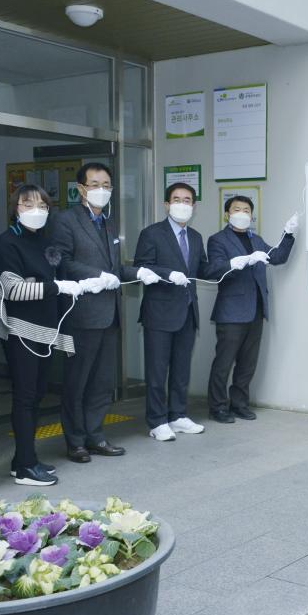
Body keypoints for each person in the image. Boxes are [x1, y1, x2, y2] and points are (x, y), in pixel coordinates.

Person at [0, 185, 93, 486]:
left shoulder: (46, 242)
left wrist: (44, 285)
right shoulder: (7, 242)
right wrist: (52, 287)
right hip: (20, 329)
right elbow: (14, 289)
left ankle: (23, 458)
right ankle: (25, 467)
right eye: (27, 204)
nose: (36, 210)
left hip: (46, 329)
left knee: (36, 396)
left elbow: (47, 280)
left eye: (42, 205)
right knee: (24, 397)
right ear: (15, 208)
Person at [52, 162, 151, 464]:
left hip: (109, 314)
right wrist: (96, 275)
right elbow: (61, 261)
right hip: (81, 314)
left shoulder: (108, 223)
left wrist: (139, 272)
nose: (101, 190)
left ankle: (95, 436)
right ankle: (76, 441)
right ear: (80, 188)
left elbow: (115, 269)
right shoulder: (66, 220)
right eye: (94, 184)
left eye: (106, 185)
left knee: (102, 382)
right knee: (77, 382)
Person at [203, 196, 297, 423]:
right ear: (227, 214)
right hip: (231, 311)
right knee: (224, 363)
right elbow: (214, 269)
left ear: (251, 215)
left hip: (256, 309)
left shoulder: (256, 239)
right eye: (237, 209)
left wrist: (288, 234)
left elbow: (277, 257)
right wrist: (242, 261)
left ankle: (239, 404)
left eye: (246, 210)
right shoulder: (218, 240)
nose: (242, 213)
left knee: (247, 363)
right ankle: (218, 407)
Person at [133, 182, 210, 441]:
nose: (182, 204)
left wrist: (232, 264)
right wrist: (168, 274)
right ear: (167, 205)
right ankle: (157, 421)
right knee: (157, 371)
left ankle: (177, 415)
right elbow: (142, 267)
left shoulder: (196, 237)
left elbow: (203, 269)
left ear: (194, 206)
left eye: (187, 200)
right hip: (159, 313)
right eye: (176, 199)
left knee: (181, 369)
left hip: (187, 312)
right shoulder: (152, 233)